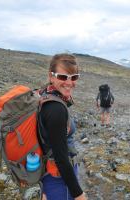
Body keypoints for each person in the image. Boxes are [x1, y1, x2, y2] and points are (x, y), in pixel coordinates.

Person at [38, 53, 87, 200]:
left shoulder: (44, 93)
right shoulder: (56, 109)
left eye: (74, 77)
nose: (69, 82)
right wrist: (78, 194)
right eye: (62, 77)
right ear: (51, 76)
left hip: (46, 174)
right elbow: (61, 158)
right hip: (58, 180)